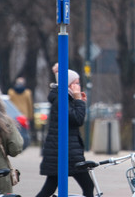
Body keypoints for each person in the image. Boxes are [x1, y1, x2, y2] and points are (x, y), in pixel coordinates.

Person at [35, 64, 93, 197]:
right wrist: (79, 100)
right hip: (65, 152)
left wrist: (79, 100)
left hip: (65, 151)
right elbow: (78, 120)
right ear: (68, 84)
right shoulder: (61, 99)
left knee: (49, 188)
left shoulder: (64, 97)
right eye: (76, 83)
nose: (78, 87)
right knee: (88, 186)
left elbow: (74, 119)